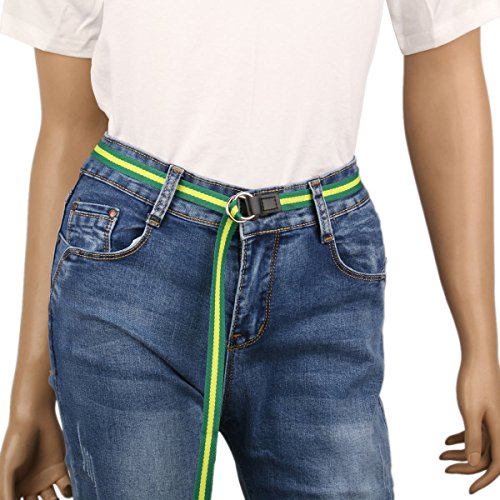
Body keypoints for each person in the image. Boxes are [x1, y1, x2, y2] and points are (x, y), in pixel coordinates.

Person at [1, 0, 500, 498]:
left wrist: (481, 346)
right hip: (131, 261)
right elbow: (70, 122)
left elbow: (444, 57)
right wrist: (32, 385)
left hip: (321, 270)